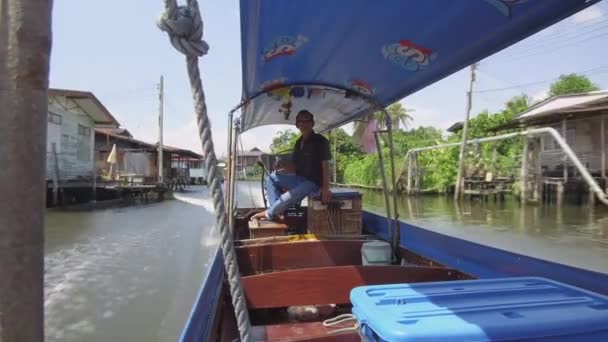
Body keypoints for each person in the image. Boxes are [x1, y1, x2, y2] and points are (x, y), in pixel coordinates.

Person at [252, 110, 332, 220]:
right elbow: (295, 166)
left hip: (314, 182)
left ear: (312, 123)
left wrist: (326, 188)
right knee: (272, 178)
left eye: (307, 120)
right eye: (301, 121)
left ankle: (269, 213)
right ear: (297, 125)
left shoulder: (321, 141)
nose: (304, 123)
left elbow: (325, 164)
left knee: (290, 195)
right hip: (299, 178)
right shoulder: (298, 143)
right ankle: (277, 211)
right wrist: (281, 166)